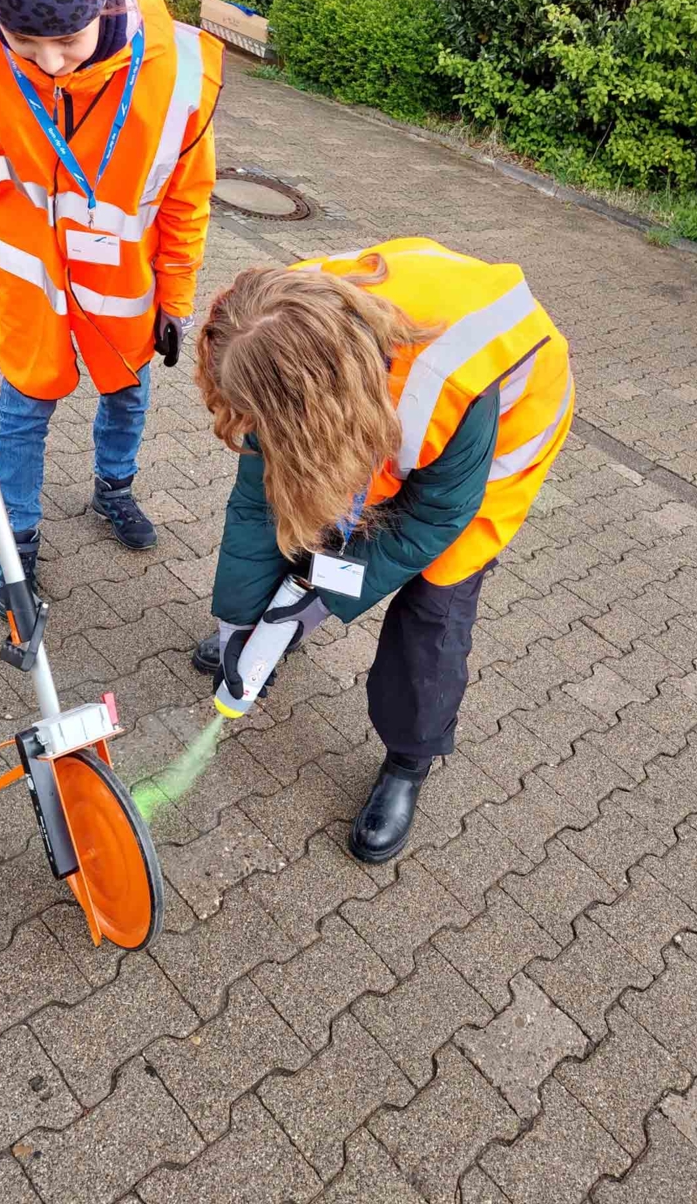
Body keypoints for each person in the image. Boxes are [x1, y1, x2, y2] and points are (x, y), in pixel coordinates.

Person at [191, 238, 574, 862]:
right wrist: (239, 621)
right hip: (366, 397)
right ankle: (268, 633)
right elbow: (262, 501)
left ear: (315, 394)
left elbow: (433, 518)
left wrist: (319, 597)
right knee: (310, 505)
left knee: (435, 606)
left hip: (499, 430)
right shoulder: (267, 321)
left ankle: (408, 758)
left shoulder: (446, 388)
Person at [0, 0, 223, 617]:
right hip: (31, 277)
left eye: (69, 41)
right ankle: (15, 542)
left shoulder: (171, 74)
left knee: (127, 389)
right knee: (23, 407)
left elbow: (185, 198)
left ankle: (114, 486)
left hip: (119, 282)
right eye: (26, 43)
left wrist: (176, 297)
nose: (50, 63)